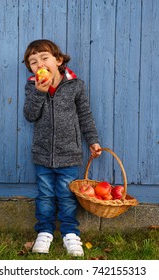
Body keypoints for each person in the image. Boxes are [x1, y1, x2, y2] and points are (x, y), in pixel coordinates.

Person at [23, 39, 101, 256]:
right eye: (33, 61)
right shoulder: (32, 85)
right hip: (42, 154)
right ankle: (44, 232)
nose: (39, 64)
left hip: (69, 153)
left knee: (67, 197)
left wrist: (93, 140)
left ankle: (70, 233)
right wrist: (40, 91)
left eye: (44, 58)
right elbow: (30, 115)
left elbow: (85, 116)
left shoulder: (75, 85)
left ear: (58, 60)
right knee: (45, 196)